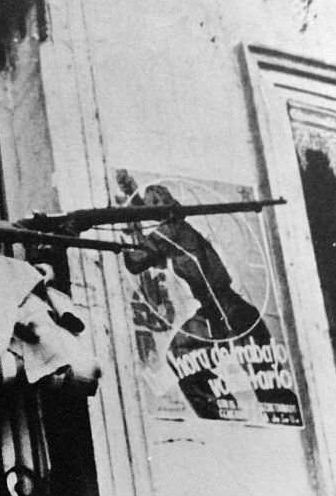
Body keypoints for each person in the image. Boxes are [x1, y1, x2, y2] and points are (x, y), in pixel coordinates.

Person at [120, 179, 298, 419]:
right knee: (269, 380)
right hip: (233, 308)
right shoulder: (182, 229)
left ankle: (222, 412)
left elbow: (135, 261)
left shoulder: (168, 233)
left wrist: (131, 222)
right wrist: (134, 197)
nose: (155, 206)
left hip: (223, 312)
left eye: (156, 202)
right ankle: (231, 411)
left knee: (181, 354)